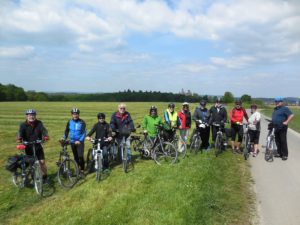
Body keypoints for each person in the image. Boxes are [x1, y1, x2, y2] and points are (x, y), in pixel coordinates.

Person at [16, 109, 49, 182]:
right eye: (30, 115)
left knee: (42, 162)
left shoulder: (39, 123)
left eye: (33, 115)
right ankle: (33, 177)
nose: (31, 116)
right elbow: (19, 133)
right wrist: (19, 141)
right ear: (27, 116)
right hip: (28, 147)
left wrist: (46, 136)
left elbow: (44, 130)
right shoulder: (23, 125)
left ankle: (45, 177)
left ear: (35, 116)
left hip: (38, 145)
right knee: (31, 163)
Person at [63, 108, 86, 176]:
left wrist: (80, 140)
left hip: (79, 142)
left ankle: (82, 170)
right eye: (74, 114)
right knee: (75, 157)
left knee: (80, 156)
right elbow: (66, 131)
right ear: (72, 115)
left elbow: (84, 133)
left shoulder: (82, 122)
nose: (75, 115)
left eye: (76, 114)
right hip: (72, 142)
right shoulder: (69, 122)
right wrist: (64, 137)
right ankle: (77, 169)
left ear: (78, 115)